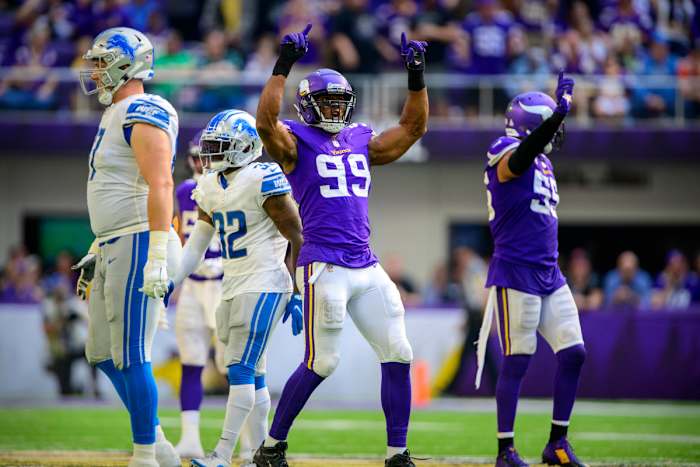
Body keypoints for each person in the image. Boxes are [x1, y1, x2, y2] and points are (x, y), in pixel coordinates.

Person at [253, 23, 428, 467]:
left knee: (399, 351)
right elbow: (265, 122)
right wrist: (283, 65)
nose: (333, 109)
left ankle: (398, 453)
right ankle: (272, 446)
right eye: (325, 102)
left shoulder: (359, 139)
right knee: (322, 361)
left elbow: (411, 127)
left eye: (339, 102)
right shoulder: (295, 141)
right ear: (308, 105)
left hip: (365, 265)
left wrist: (416, 76)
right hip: (323, 264)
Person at [72, 27, 181, 467]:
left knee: (133, 353)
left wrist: (156, 253)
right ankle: (159, 444)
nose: (95, 71)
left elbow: (161, 182)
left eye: (101, 62)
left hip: (141, 239)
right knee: (100, 353)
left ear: (125, 64)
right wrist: (99, 246)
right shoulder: (116, 111)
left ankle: (145, 457)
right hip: (116, 242)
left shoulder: (144, 107)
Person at [170, 109, 304, 467]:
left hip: (265, 282)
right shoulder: (210, 185)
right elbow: (196, 246)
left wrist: (298, 289)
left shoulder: (264, 176)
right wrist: (170, 280)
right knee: (254, 373)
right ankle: (260, 454)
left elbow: (297, 234)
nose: (209, 155)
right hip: (232, 284)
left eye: (219, 146)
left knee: (240, 370)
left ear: (244, 147)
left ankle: (222, 454)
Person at [476, 73, 587, 467]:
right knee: (518, 358)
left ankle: (557, 442)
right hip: (516, 269)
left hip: (549, 272)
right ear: (533, 125)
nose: (557, 134)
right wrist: (556, 117)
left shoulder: (544, 162)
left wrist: (555, 119)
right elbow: (516, 163)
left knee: (574, 353)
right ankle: (505, 449)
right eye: (551, 126)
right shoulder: (505, 149)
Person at [172, 132, 225, 458]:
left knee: (237, 366)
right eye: (198, 156)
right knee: (191, 361)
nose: (203, 163)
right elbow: (180, 236)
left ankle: (249, 441)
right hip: (192, 283)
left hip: (225, 283)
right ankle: (190, 437)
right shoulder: (185, 191)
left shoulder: (231, 188)